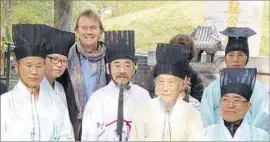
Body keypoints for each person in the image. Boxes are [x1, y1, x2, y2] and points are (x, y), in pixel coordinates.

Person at [1, 24, 74, 141]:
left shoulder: (57, 103)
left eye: (39, 65)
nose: (34, 72)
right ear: (17, 68)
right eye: (28, 65)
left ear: (44, 66)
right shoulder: (4, 103)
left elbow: (66, 136)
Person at [81, 30, 151, 141]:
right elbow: (88, 136)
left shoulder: (143, 96)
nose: (122, 70)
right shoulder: (97, 98)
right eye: (117, 65)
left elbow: (150, 132)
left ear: (134, 68)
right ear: (108, 68)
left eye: (127, 65)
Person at [200, 27, 270, 133]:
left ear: (247, 58)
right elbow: (206, 116)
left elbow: (262, 118)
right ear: (225, 58)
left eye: (241, 55)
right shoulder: (213, 88)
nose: (235, 59)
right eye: (231, 55)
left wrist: (248, 136)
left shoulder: (258, 89)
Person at [129, 43, 203, 141]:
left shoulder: (192, 114)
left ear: (183, 83)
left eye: (171, 82)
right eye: (161, 82)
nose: (165, 88)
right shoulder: (144, 110)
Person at [60, 9, 108, 140]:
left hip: (103, 123)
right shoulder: (67, 57)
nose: (89, 32)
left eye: (93, 28)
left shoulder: (109, 58)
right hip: (74, 121)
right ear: (77, 30)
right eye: (84, 27)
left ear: (100, 32)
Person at [195, 68, 269, 141]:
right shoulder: (204, 136)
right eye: (225, 100)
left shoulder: (261, 137)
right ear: (220, 103)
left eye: (236, 101)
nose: (230, 105)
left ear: (248, 106)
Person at [144, 34, 204, 103]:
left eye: (184, 54)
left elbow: (197, 103)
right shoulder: (156, 70)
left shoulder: (194, 77)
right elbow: (147, 94)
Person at [41, 27, 75, 106]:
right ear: (43, 59)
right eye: (55, 59)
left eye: (64, 60)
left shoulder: (60, 88)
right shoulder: (34, 87)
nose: (59, 64)